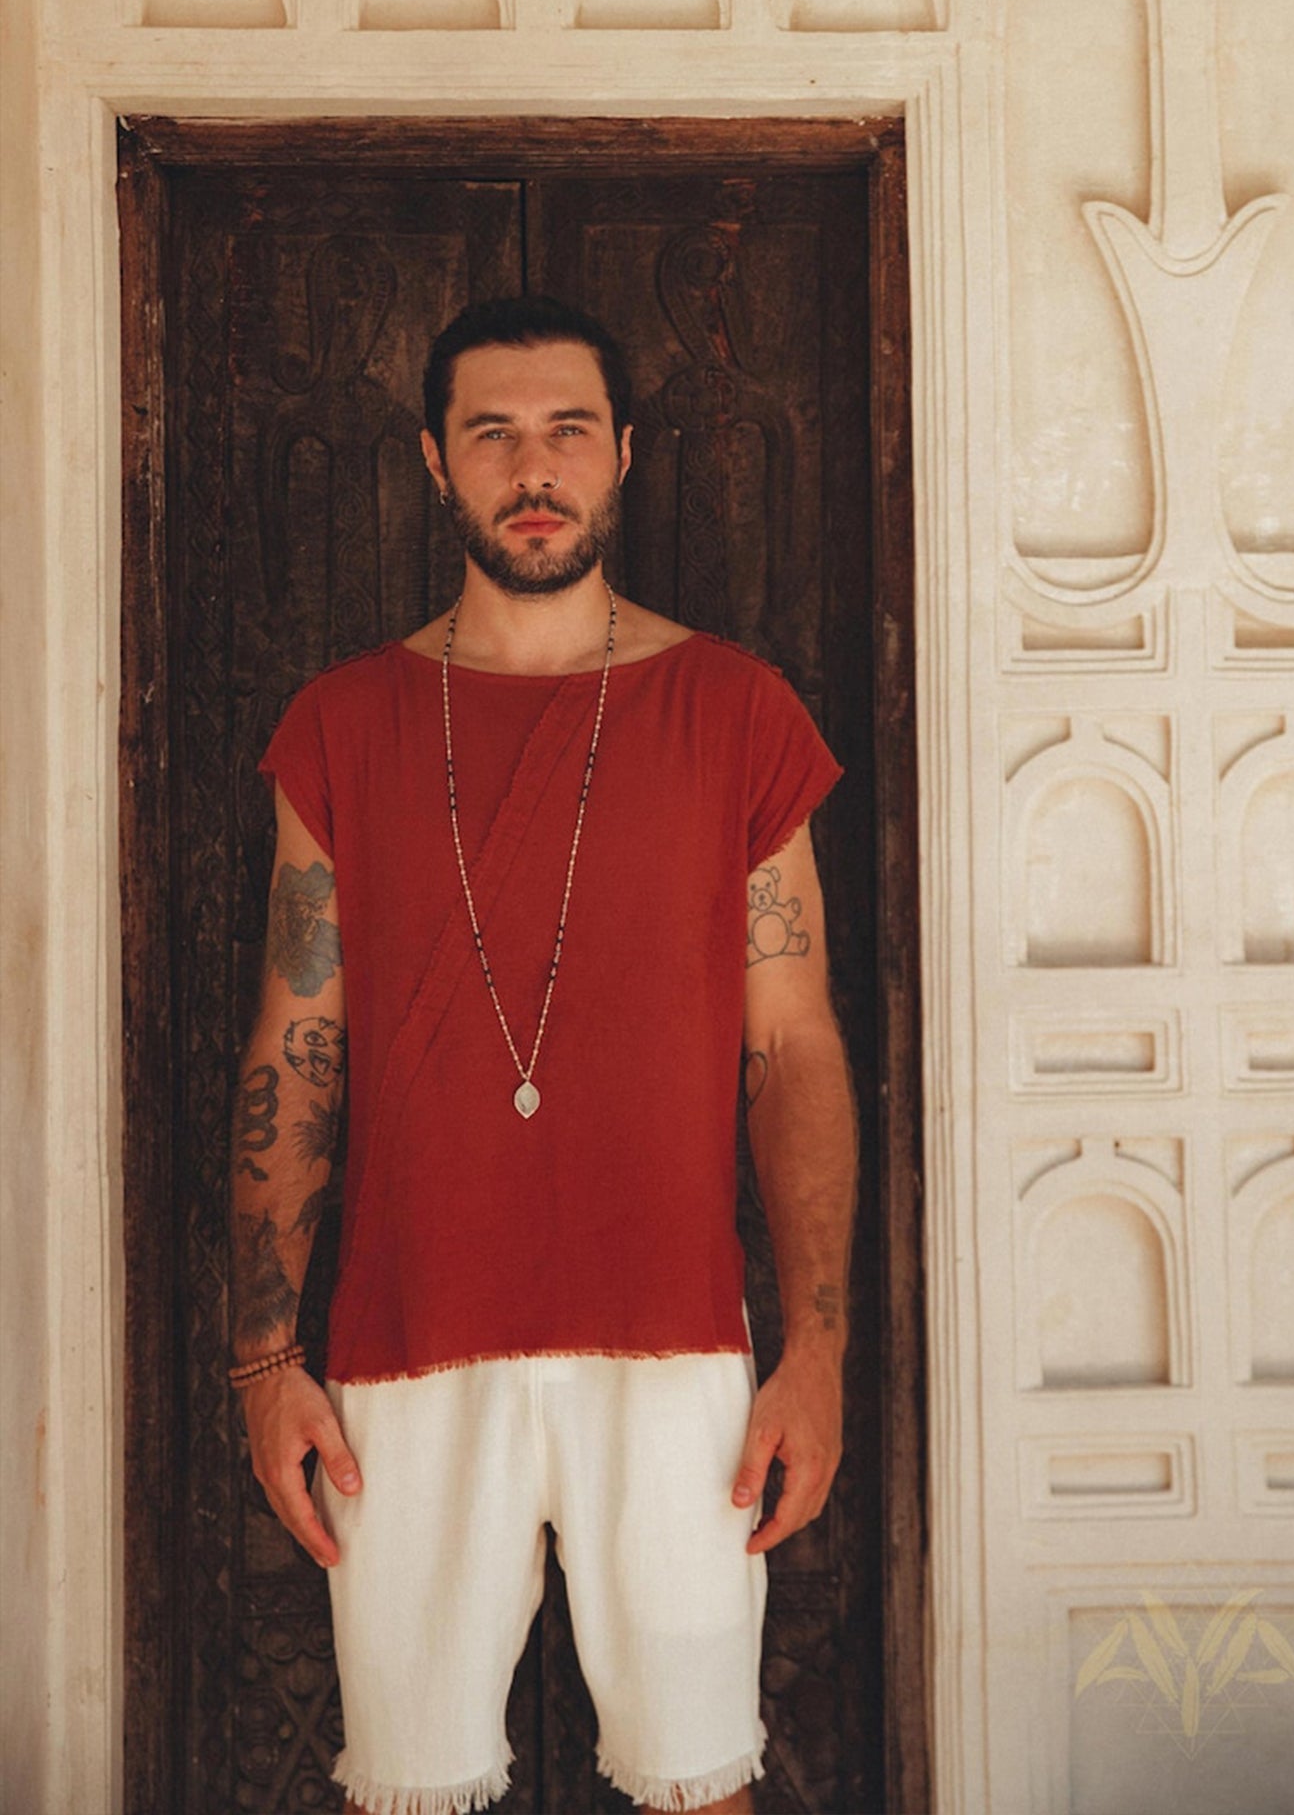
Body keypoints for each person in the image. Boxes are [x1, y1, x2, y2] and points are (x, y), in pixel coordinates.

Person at [229, 295, 858, 1815]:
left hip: (678, 1347)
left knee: (704, 1786)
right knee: (408, 1789)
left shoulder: (733, 707)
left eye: (567, 428)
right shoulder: (345, 720)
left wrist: (820, 1353)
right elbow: (295, 1045)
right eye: (492, 432)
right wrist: (261, 1359)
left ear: (623, 453)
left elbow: (791, 1046)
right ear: (434, 462)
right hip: (403, 1342)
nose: (533, 465)